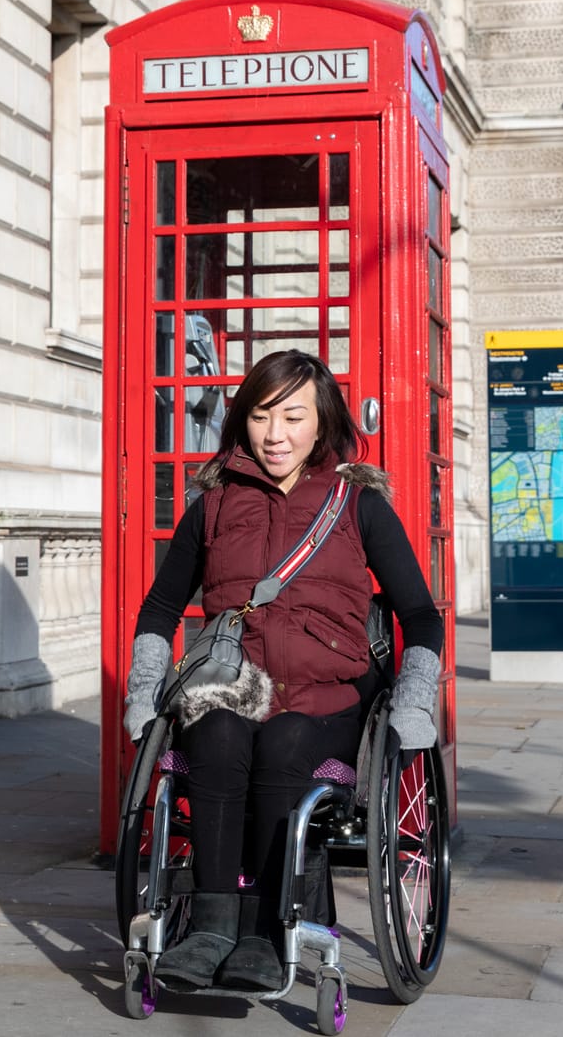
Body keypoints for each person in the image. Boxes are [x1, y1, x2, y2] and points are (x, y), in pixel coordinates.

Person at [120, 351, 445, 992]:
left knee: (284, 742)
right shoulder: (214, 505)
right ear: (242, 421)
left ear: (321, 424)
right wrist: (143, 688)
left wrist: (414, 701)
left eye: (293, 417)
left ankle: (270, 932)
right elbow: (160, 607)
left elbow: (419, 615)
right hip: (235, 688)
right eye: (262, 416)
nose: (275, 435)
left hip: (330, 698)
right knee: (214, 734)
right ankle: (212, 927)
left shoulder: (359, 506)